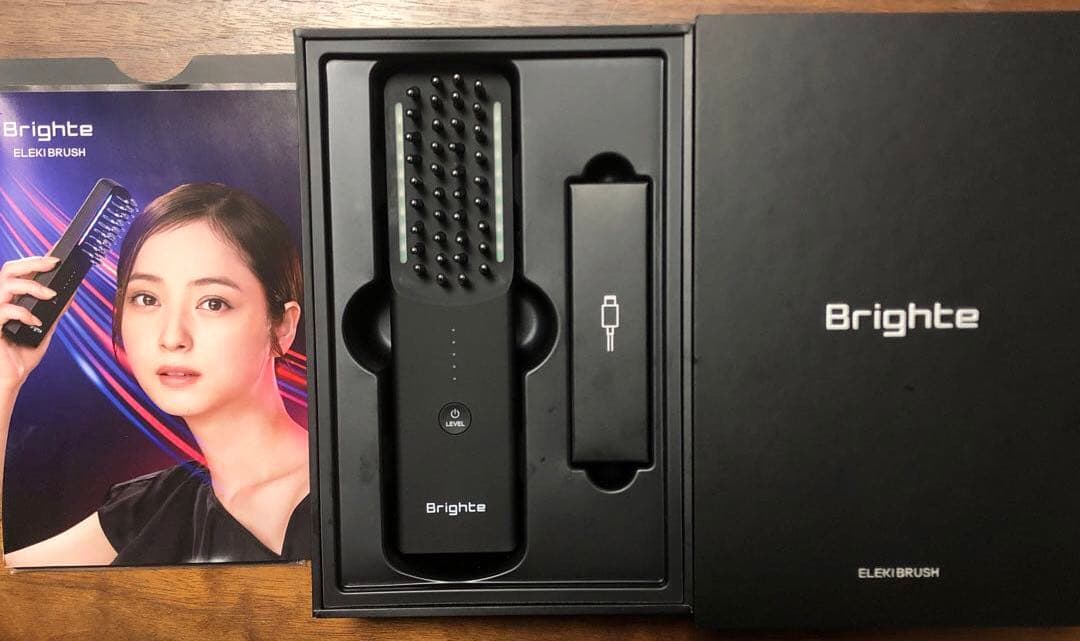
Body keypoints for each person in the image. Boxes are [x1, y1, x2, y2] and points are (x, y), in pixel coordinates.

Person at [0, 182, 309, 566]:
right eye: (146, 299)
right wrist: (5, 376)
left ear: (282, 326)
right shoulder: (152, 513)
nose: (172, 337)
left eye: (213, 303)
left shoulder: (351, 498)